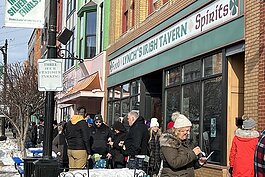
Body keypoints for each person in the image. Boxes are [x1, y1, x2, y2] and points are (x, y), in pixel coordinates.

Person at [159, 112, 206, 177]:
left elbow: (187, 163)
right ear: (178, 130)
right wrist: (193, 153)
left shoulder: (185, 142)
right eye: (186, 130)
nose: (188, 133)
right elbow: (175, 163)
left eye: (189, 131)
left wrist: (199, 163)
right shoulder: (169, 142)